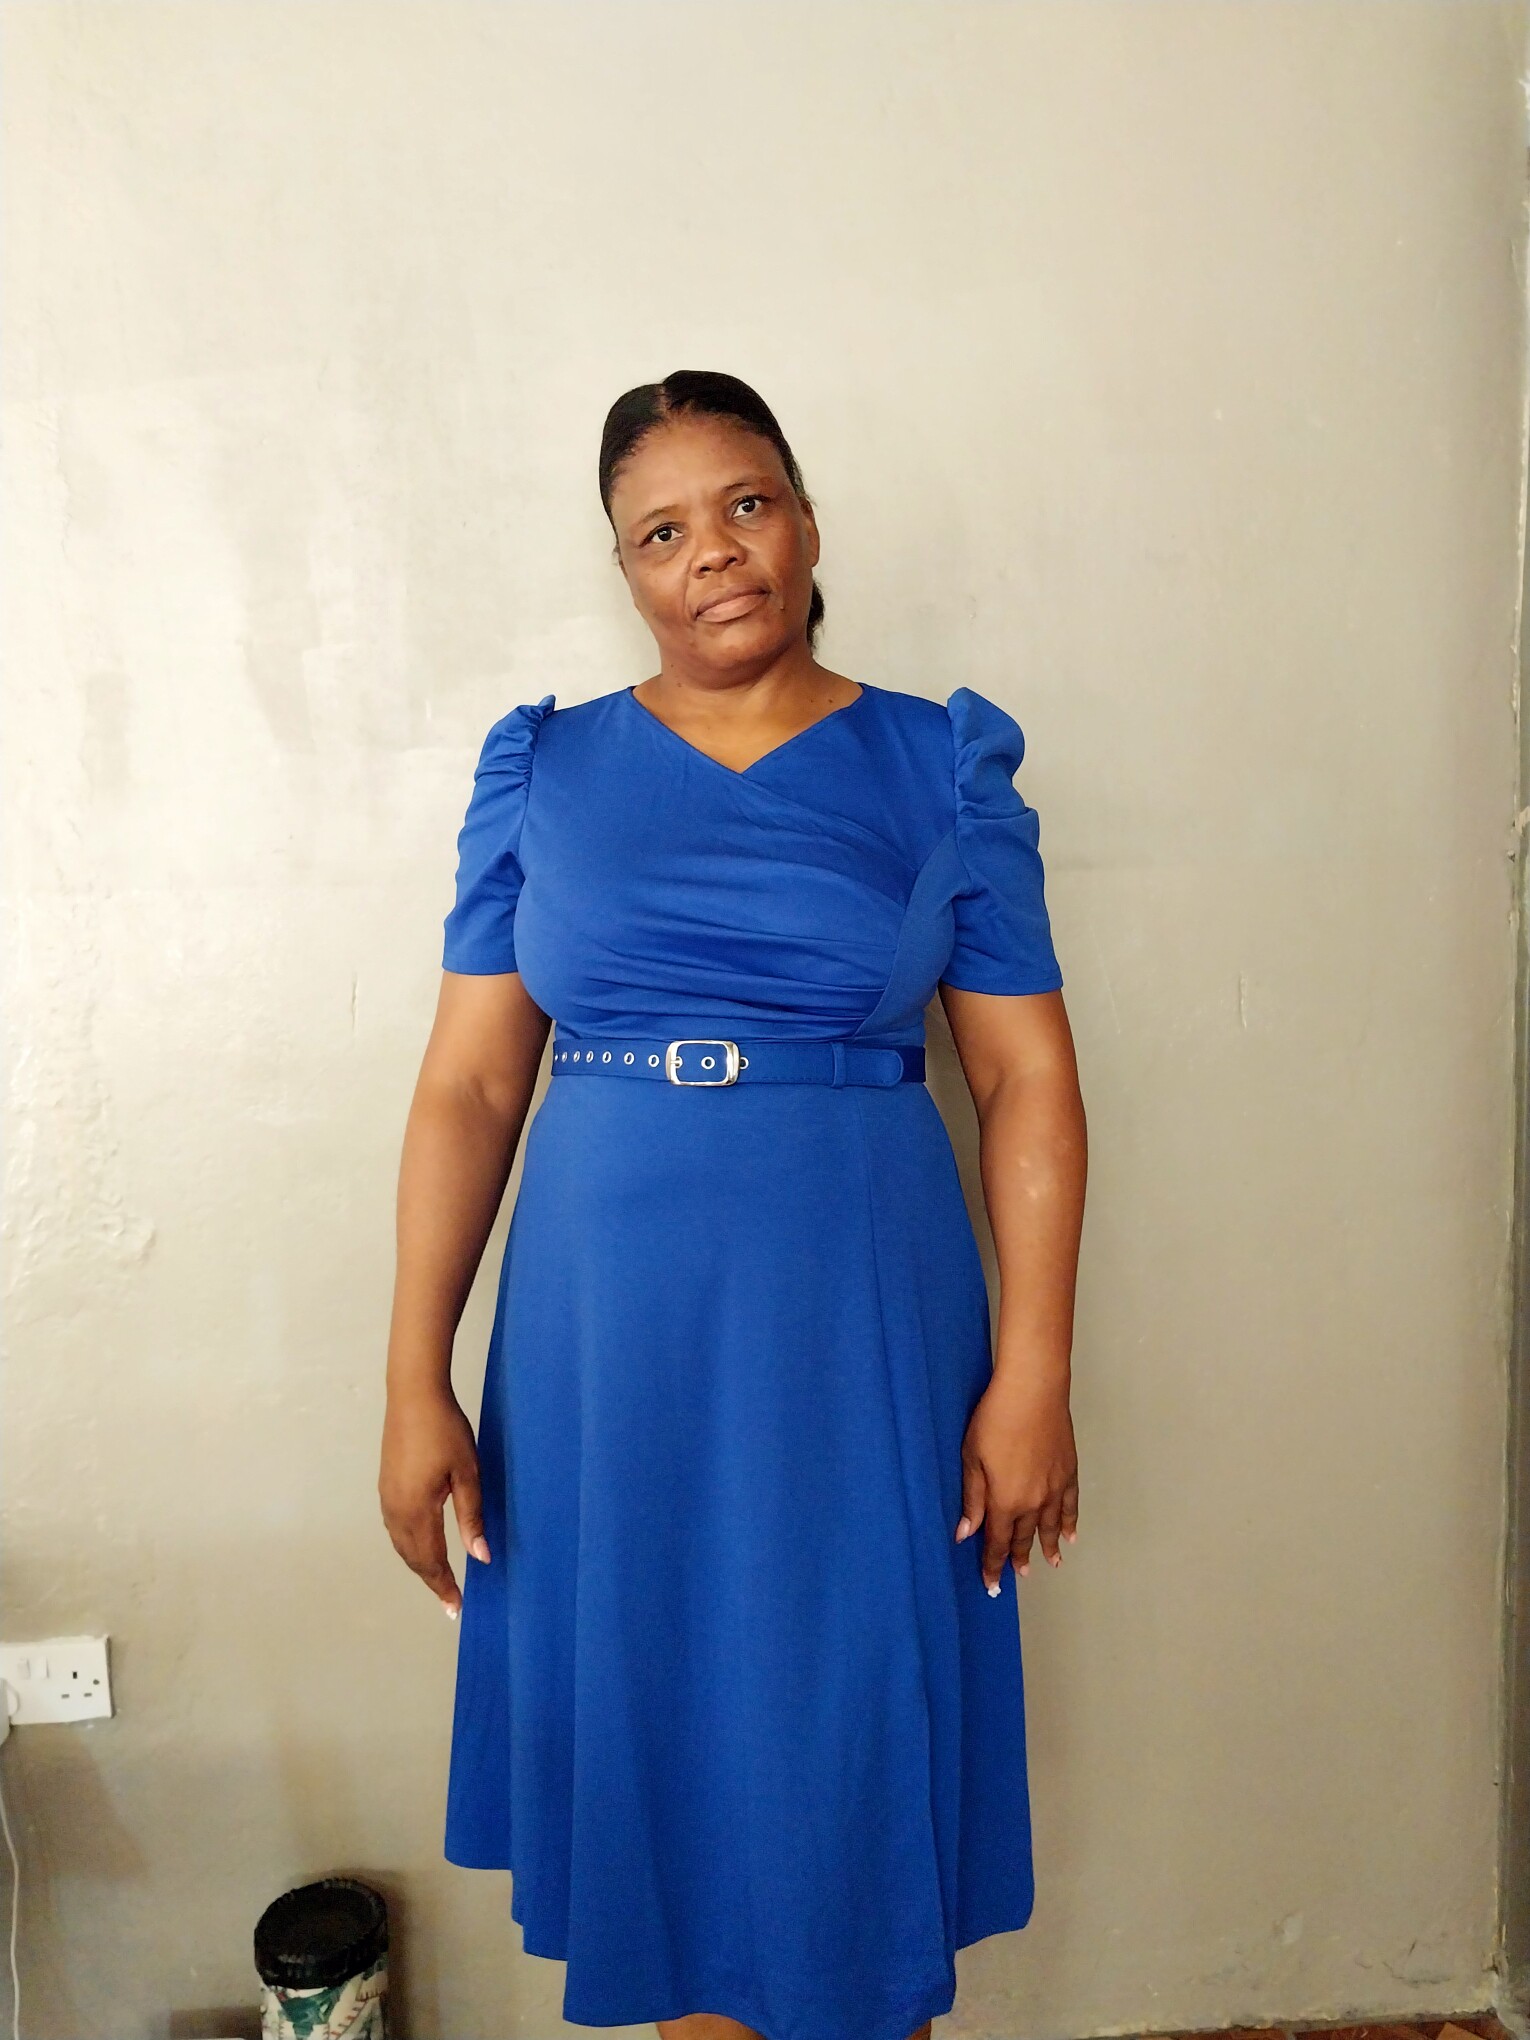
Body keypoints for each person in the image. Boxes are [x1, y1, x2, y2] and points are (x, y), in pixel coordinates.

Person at [378, 369, 1088, 2040]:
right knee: (659, 1714)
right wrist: (413, 1378)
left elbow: (1023, 1080)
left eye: (745, 504)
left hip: (854, 1317)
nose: (712, 551)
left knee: (842, 1708)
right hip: (604, 1332)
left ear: (807, 524)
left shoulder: (939, 765)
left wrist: (1035, 1371)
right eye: (662, 531)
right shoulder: (542, 769)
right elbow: (469, 1088)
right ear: (624, 569)